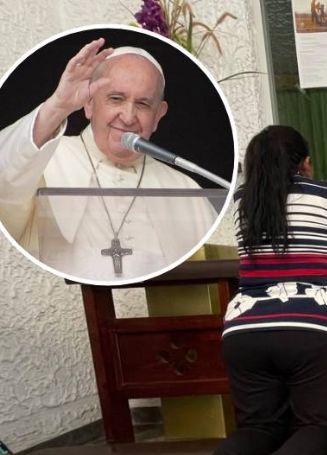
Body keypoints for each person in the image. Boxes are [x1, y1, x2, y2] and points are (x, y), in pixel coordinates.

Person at [142, 125, 327, 455]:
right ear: (305, 163)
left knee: (260, 428)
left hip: (245, 330)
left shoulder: (245, 201)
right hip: (313, 328)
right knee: (319, 426)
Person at [0, 38, 218, 282]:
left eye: (143, 104)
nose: (128, 117)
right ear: (89, 103)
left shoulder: (184, 189)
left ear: (158, 115)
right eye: (116, 99)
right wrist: (57, 107)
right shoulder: (44, 158)